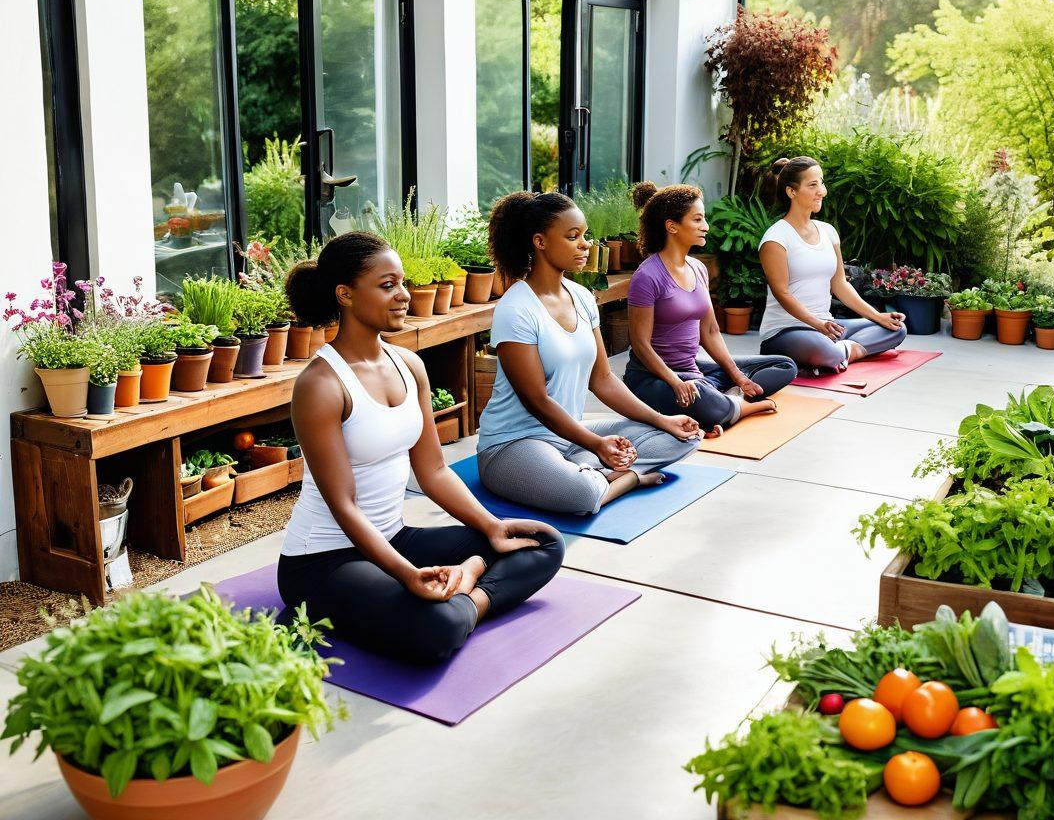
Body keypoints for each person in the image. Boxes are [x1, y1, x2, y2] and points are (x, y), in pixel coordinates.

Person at [278, 232, 564, 665]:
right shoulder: (321, 385)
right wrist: (406, 574)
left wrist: (490, 527)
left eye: (403, 283)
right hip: (324, 560)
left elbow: (433, 472)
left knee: (543, 542)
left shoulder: (408, 364)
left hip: (394, 536)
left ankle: (463, 589)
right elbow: (343, 505)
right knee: (438, 631)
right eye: (387, 284)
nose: (404, 296)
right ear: (346, 294)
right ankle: (463, 598)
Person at [477, 191, 703, 515]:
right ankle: (624, 480)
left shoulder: (582, 297)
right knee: (581, 496)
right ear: (539, 242)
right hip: (516, 445)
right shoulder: (516, 310)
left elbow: (604, 378)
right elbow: (537, 401)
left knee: (683, 436)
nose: (585, 244)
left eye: (585, 235)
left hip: (572, 437)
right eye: (573, 237)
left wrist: (663, 420)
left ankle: (594, 471)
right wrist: (596, 445)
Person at [623, 181, 797, 434]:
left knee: (784, 366)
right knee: (698, 393)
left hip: (693, 370)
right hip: (653, 378)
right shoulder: (647, 276)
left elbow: (711, 332)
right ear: (672, 226)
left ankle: (722, 401)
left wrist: (738, 376)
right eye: (697, 220)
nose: (706, 227)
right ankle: (742, 406)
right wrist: (675, 381)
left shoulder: (698, 269)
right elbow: (640, 345)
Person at [757, 157, 907, 373]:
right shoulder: (776, 239)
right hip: (786, 331)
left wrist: (877, 316)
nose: (822, 191)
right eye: (813, 185)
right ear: (792, 192)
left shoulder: (828, 231)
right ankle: (835, 355)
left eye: (822, 183)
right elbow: (782, 293)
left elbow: (839, 284)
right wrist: (817, 325)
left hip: (828, 327)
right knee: (827, 352)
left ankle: (842, 353)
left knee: (896, 329)